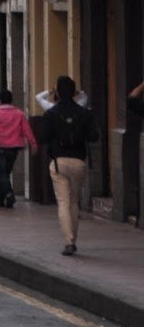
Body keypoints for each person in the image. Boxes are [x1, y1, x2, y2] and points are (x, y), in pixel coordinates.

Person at [37, 75, 100, 255]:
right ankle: (73, 238)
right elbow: (94, 137)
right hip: (79, 162)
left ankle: (69, 241)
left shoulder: (51, 113)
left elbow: (42, 138)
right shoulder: (84, 112)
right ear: (74, 92)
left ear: (56, 91)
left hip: (58, 162)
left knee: (63, 202)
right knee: (74, 201)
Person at [0, 87, 38, 209]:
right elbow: (27, 130)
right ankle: (1, 198)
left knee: (3, 173)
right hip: (14, 147)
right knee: (6, 172)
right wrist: (33, 143)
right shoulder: (19, 113)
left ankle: (9, 194)